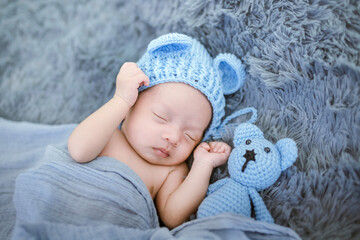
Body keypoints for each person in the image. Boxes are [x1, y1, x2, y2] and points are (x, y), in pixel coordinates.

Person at [68, 33, 246, 229]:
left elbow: (173, 217)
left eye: (190, 136)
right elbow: (79, 150)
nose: (174, 138)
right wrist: (120, 100)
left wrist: (203, 165)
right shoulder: (107, 133)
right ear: (132, 103)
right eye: (161, 117)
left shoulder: (171, 170)